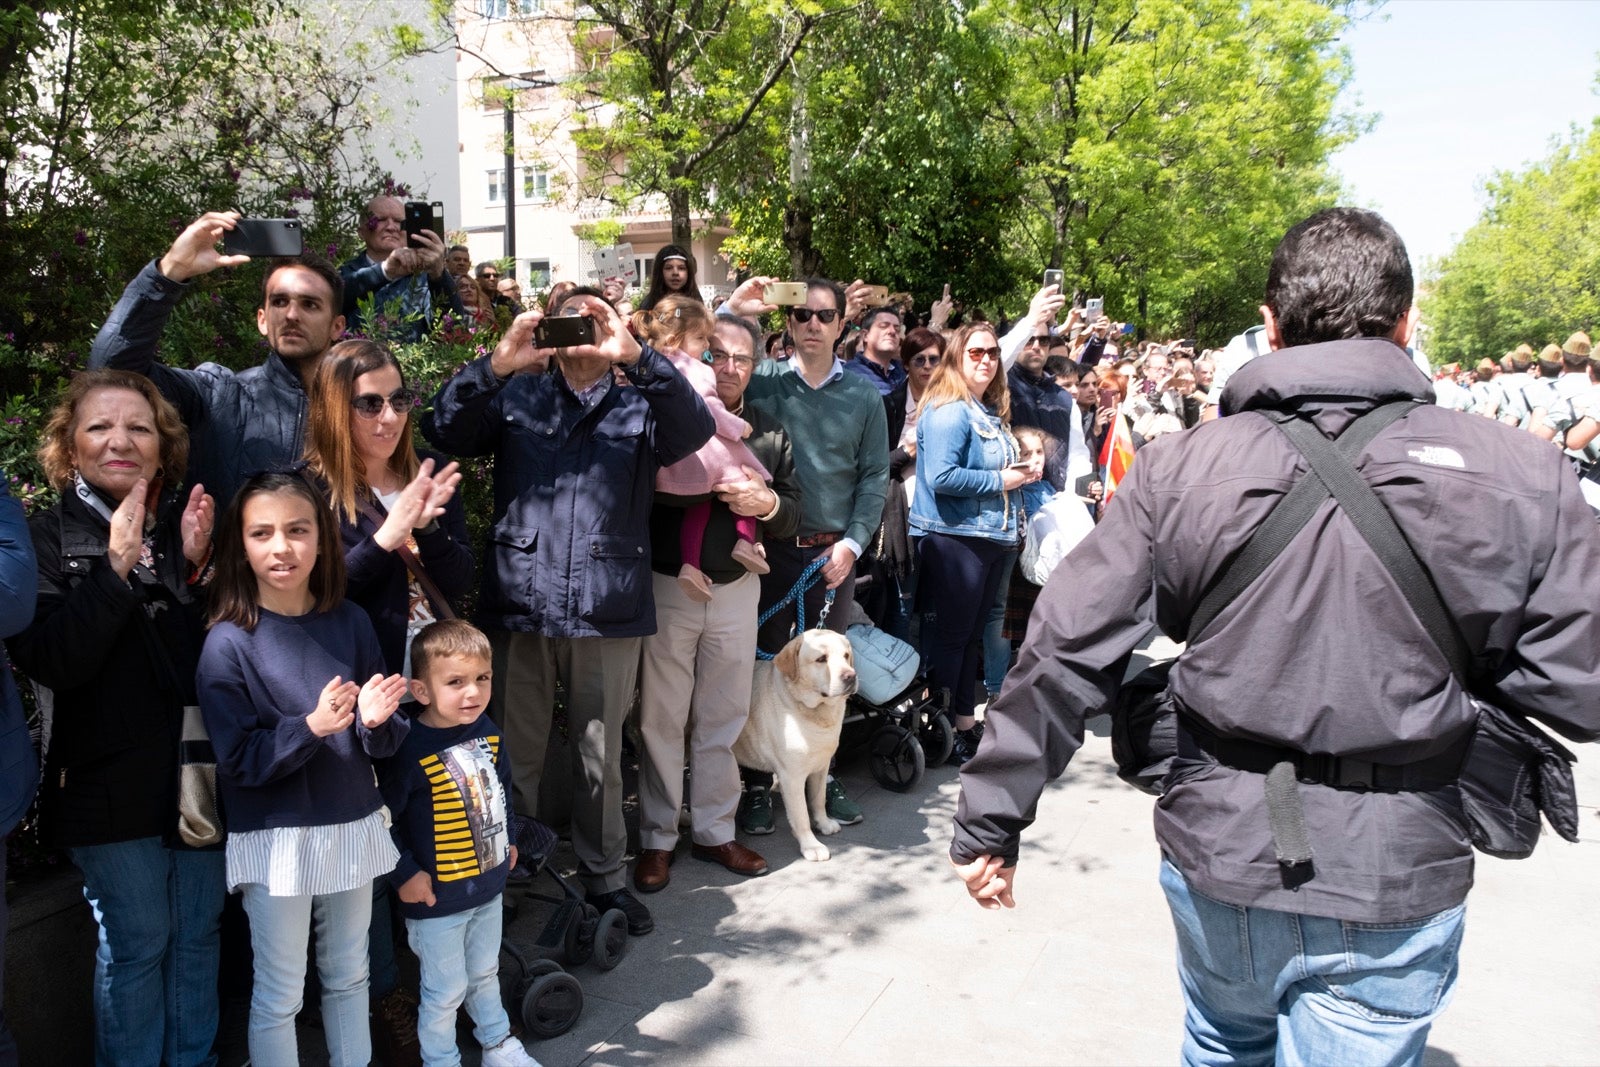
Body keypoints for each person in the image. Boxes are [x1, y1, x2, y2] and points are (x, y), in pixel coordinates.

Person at [952, 207, 1600, 1065]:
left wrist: (991, 818)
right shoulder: (1523, 473)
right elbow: (1578, 685)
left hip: (1224, 850)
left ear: (1270, 327)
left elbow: (1064, 646)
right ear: (1405, 324)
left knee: (1221, 1042)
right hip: (1394, 866)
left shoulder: (1183, 468)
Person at [422, 288, 714, 939]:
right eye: (568, 316)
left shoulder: (640, 399)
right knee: (514, 752)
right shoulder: (519, 394)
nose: (580, 330)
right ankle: (512, 871)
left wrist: (636, 356)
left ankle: (605, 875)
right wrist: (496, 365)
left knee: (600, 755)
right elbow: (441, 429)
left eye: (594, 317)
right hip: (520, 601)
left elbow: (697, 431)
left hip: (606, 605)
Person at [5, 370, 223, 1067]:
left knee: (198, 936)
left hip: (192, 776)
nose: (120, 440)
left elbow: (201, 671)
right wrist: (116, 571)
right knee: (138, 943)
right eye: (100, 426)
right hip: (102, 784)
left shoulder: (175, 526)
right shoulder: (45, 536)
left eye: (139, 426)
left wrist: (191, 575)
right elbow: (52, 659)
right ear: (69, 445)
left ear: (164, 445)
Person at [198, 470, 410, 1067]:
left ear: (322, 538)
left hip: (349, 822)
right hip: (276, 837)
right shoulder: (227, 643)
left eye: (297, 529)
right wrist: (311, 727)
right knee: (280, 993)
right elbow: (239, 761)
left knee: (350, 976)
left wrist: (374, 721)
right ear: (241, 545)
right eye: (262, 533)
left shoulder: (351, 621)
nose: (281, 546)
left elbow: (387, 741)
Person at [633, 315, 801, 893]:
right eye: (718, 356)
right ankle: (656, 837)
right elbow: (633, 500)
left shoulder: (769, 430)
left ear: (756, 365)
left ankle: (714, 829)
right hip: (668, 587)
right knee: (661, 718)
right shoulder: (663, 412)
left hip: (736, 591)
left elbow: (796, 513)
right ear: (698, 358)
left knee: (723, 716)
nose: (729, 368)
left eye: (742, 359)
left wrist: (769, 503)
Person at [720, 276, 890, 828]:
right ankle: (755, 785)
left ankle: (824, 775)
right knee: (760, 672)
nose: (812, 324)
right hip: (763, 553)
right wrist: (730, 309)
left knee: (828, 673)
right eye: (802, 316)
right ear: (788, 324)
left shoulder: (864, 395)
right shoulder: (763, 379)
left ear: (843, 324)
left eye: (824, 316)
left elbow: (874, 478)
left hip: (832, 557)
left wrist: (853, 543)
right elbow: (701, 369)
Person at [88, 211, 349, 507]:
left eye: (309, 304)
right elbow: (111, 372)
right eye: (279, 301)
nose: (291, 314)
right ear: (262, 320)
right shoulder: (219, 396)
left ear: (336, 327)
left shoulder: (362, 408)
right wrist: (170, 270)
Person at [380, 620, 539, 1067]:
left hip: (487, 887)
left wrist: (508, 838)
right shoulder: (408, 746)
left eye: (482, 679)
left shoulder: (488, 731)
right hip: (435, 900)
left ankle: (498, 1043)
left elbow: (502, 788)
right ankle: (441, 1059)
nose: (472, 692)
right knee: (444, 990)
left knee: (486, 973)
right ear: (421, 689)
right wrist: (404, 872)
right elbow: (380, 817)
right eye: (455, 682)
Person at [910, 322, 1037, 766]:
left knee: (968, 643)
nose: (986, 360)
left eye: (993, 353)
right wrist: (1005, 478)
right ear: (957, 358)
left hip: (987, 539)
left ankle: (963, 723)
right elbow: (941, 478)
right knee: (954, 639)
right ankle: (942, 727)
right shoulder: (950, 409)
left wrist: (1021, 473)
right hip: (955, 539)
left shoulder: (983, 410)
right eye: (976, 352)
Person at [632, 296, 771, 600]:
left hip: (670, 461)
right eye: (703, 339)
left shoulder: (648, 362)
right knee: (745, 479)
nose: (705, 346)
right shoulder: (694, 368)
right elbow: (707, 409)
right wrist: (737, 426)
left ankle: (690, 566)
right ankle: (745, 541)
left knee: (699, 502)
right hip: (704, 450)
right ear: (677, 337)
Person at [339, 195, 463, 338]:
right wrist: (384, 271)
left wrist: (438, 275)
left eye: (399, 221)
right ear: (361, 232)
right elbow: (334, 302)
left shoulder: (424, 278)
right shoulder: (345, 273)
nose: (391, 227)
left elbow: (453, 325)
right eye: (381, 220)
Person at [842, 307, 907, 396]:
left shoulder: (904, 372)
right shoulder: (850, 374)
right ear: (865, 335)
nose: (892, 331)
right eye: (884, 326)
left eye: (897, 329)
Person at [638, 244, 701, 311]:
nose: (675, 273)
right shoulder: (648, 304)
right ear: (660, 271)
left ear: (689, 272)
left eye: (681, 268)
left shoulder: (697, 303)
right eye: (668, 268)